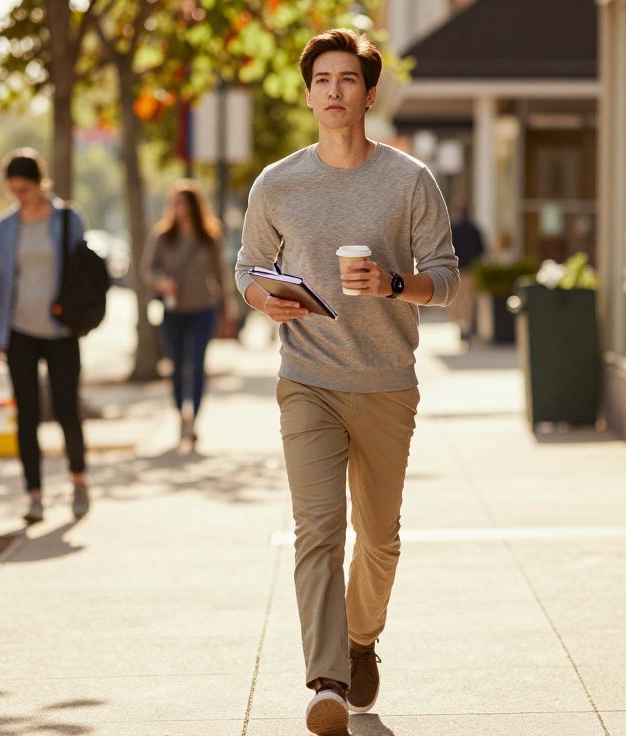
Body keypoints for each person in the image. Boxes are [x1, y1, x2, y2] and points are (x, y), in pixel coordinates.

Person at [235, 29, 459, 736]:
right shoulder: (277, 183)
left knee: (381, 540)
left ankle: (362, 640)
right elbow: (247, 269)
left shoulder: (408, 181)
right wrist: (263, 299)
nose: (334, 91)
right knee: (318, 530)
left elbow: (447, 281)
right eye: (322, 80)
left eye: (347, 80)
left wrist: (396, 283)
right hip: (308, 377)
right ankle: (327, 679)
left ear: (368, 93)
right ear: (308, 94)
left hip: (387, 381)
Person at [0, 149, 91, 524]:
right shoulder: (6, 225)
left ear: (39, 183)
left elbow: (82, 272)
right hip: (19, 331)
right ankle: (34, 495)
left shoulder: (67, 219)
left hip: (61, 329)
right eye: (14, 191)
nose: (21, 197)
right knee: (27, 413)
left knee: (67, 409)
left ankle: (78, 480)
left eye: (26, 189)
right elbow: (3, 284)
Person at [143, 181, 229, 450]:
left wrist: (228, 310)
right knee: (177, 366)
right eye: (176, 202)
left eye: (185, 202)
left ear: (194, 206)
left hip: (203, 308)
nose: (179, 208)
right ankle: (182, 413)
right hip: (173, 310)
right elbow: (147, 269)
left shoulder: (209, 236)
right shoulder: (162, 235)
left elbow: (220, 275)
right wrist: (162, 282)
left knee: (198, 364)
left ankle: (194, 421)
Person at [449, 202, 486, 342]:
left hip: (459, 270)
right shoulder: (474, 229)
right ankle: (466, 326)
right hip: (469, 270)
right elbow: (481, 251)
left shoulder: (455, 228)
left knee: (459, 301)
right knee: (467, 300)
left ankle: (463, 326)